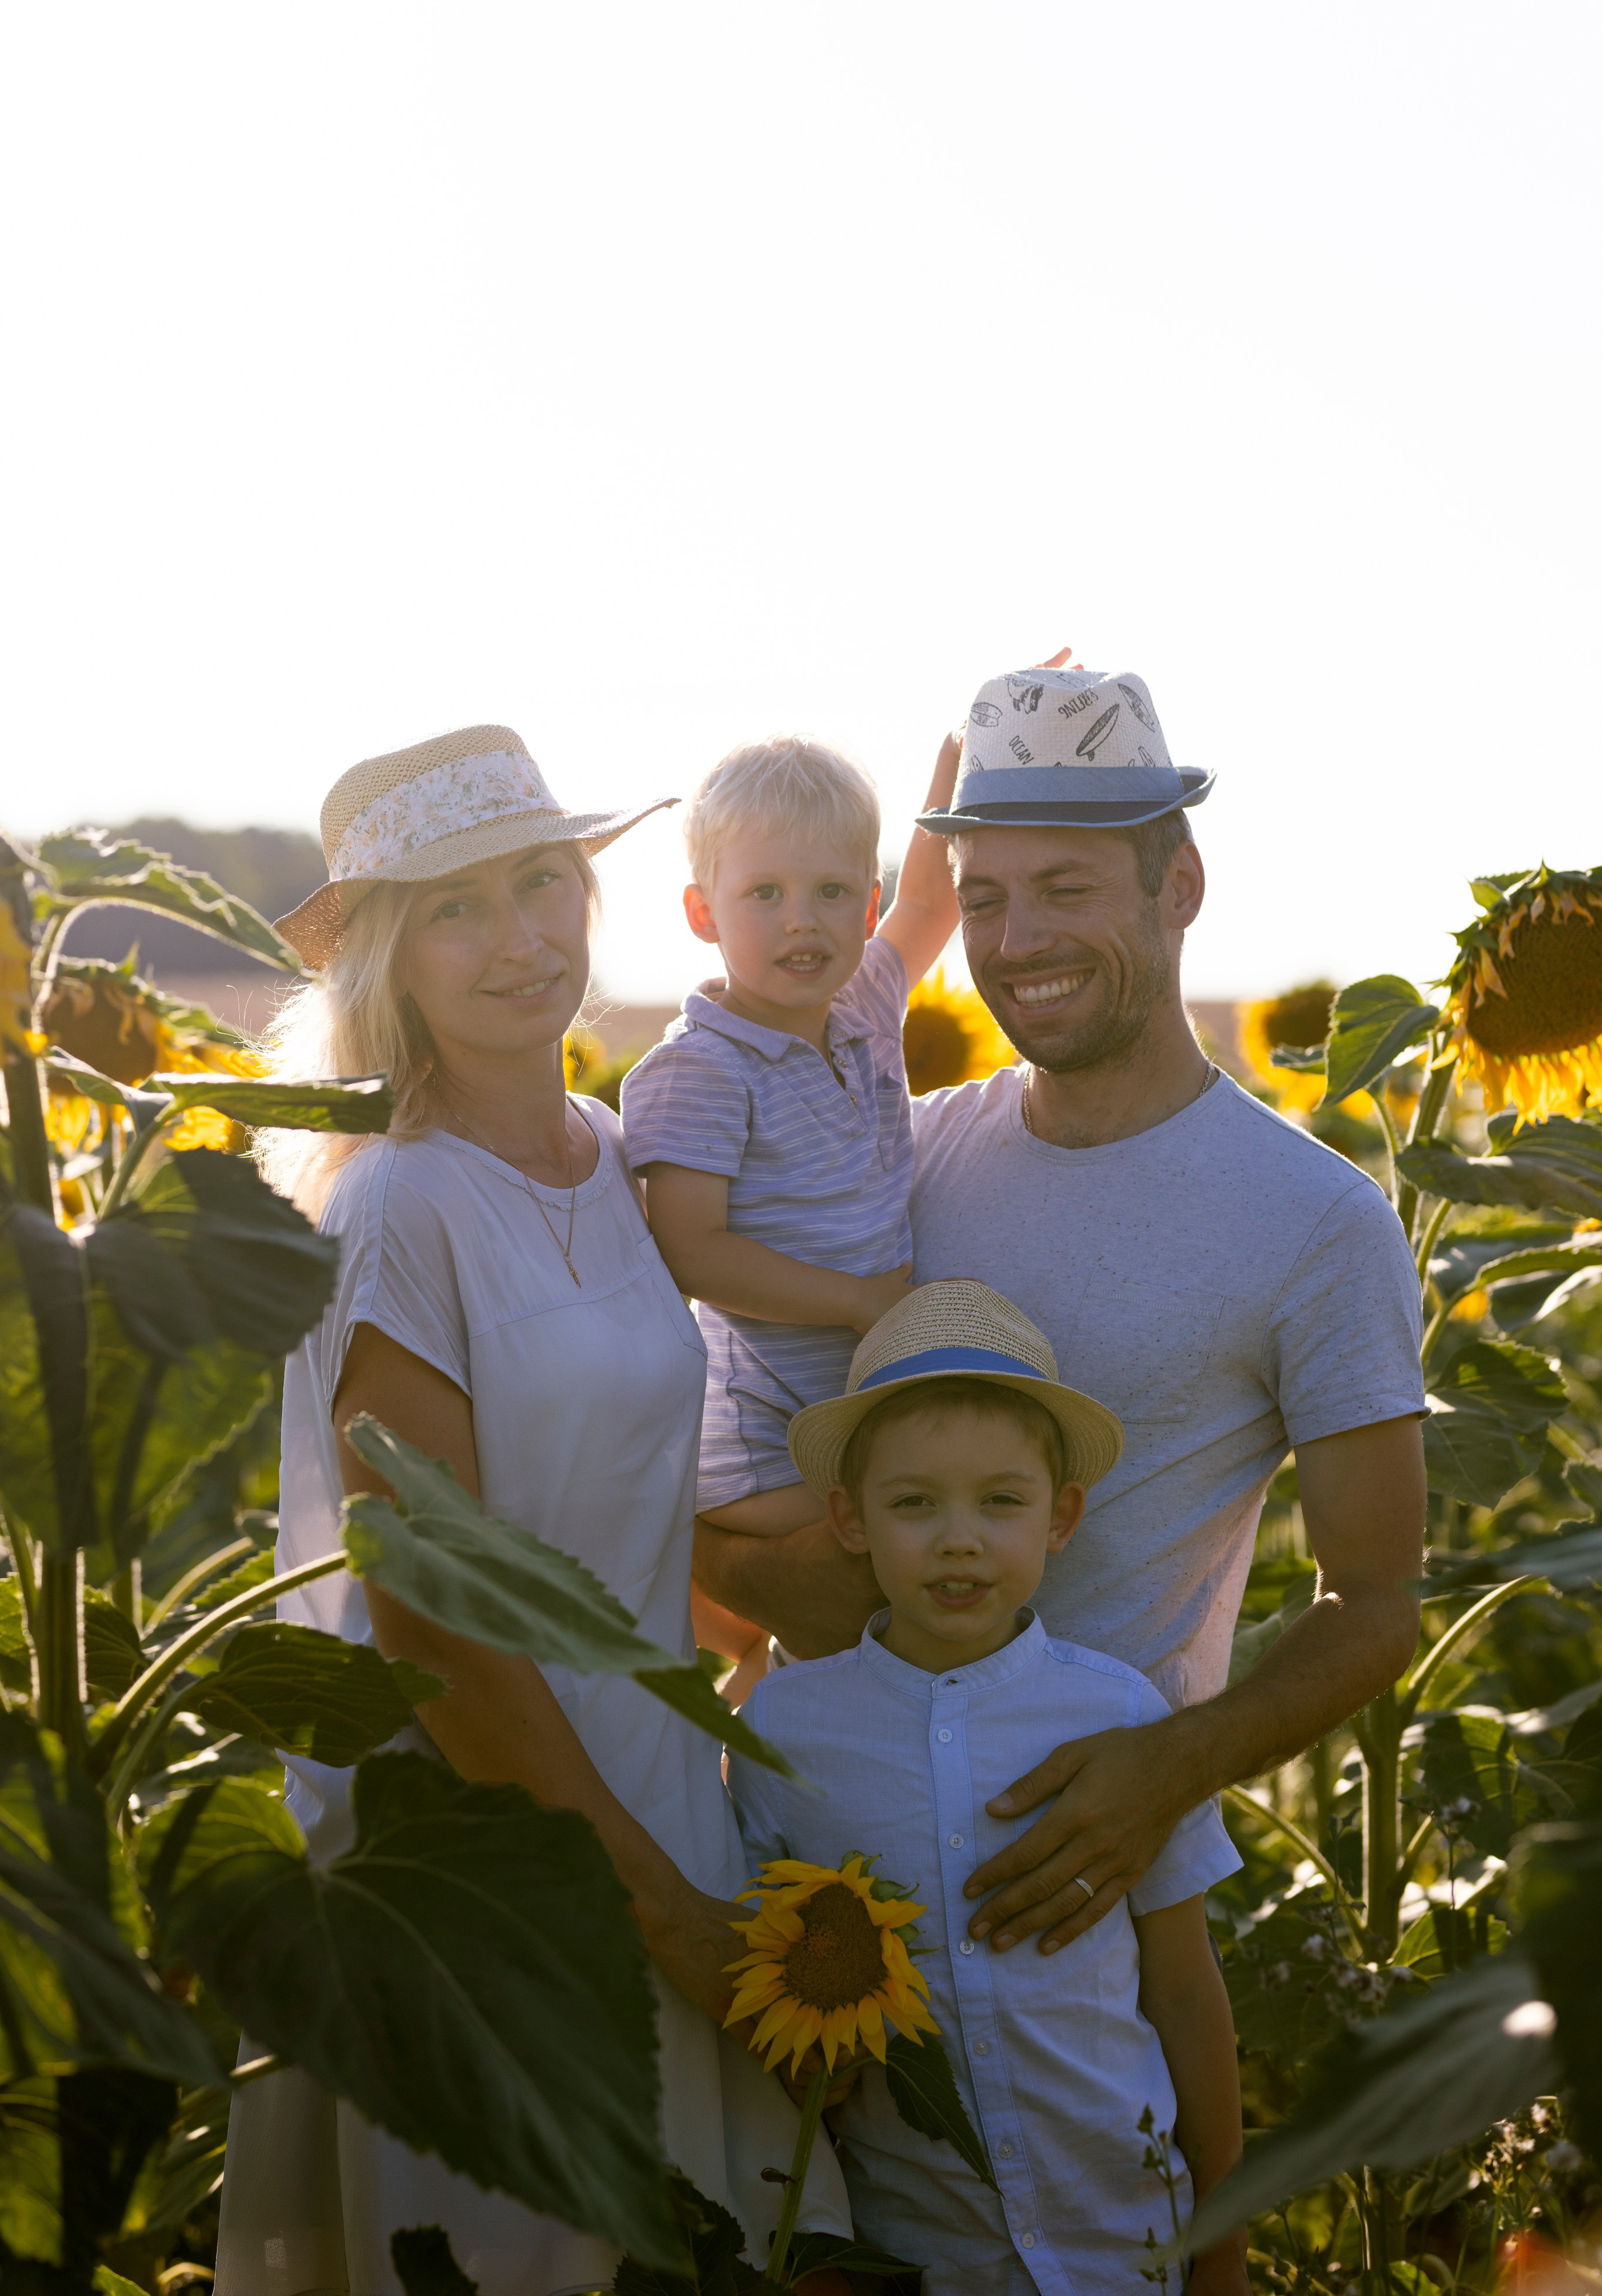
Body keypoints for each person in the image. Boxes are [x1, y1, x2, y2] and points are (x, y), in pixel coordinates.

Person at [215, 725, 850, 2296]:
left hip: (661, 1786)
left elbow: (629, 1503)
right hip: (490, 1856)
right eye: (456, 907)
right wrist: (659, 1915)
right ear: (387, 953)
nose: (519, 938)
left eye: (542, 882)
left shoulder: (615, 1158)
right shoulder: (393, 1202)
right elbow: (439, 1623)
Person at [696, 660, 1428, 1966]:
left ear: (1179, 885)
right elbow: (708, 1458)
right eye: (980, 896)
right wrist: (767, 1584)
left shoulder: (1312, 1221)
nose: (1015, 939)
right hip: (809, 1872)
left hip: (1071, 1894)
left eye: (1067, 888)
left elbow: (1372, 1600)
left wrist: (1163, 1770)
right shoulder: (893, 1165)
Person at [728, 1280, 1247, 2296]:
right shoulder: (783, 1731)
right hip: (917, 2249)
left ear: (1062, 1517)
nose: (958, 1538)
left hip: (1125, 2239)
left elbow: (1185, 1988)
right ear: (850, 1517)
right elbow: (764, 2004)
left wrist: (1222, 2245)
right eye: (914, 1502)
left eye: (1000, 1501)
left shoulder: (1123, 1719)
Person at [620, 730, 961, 1688]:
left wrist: (955, 767)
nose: (800, 922)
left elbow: (935, 898)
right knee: (864, 1585)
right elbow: (692, 1249)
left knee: (871, 1613)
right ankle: (751, 1742)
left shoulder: (862, 1006)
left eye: (831, 892)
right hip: (760, 1430)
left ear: (870, 902)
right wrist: (854, 1300)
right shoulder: (700, 1067)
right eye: (764, 894)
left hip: (848, 1406)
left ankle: (759, 1722)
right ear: (702, 912)